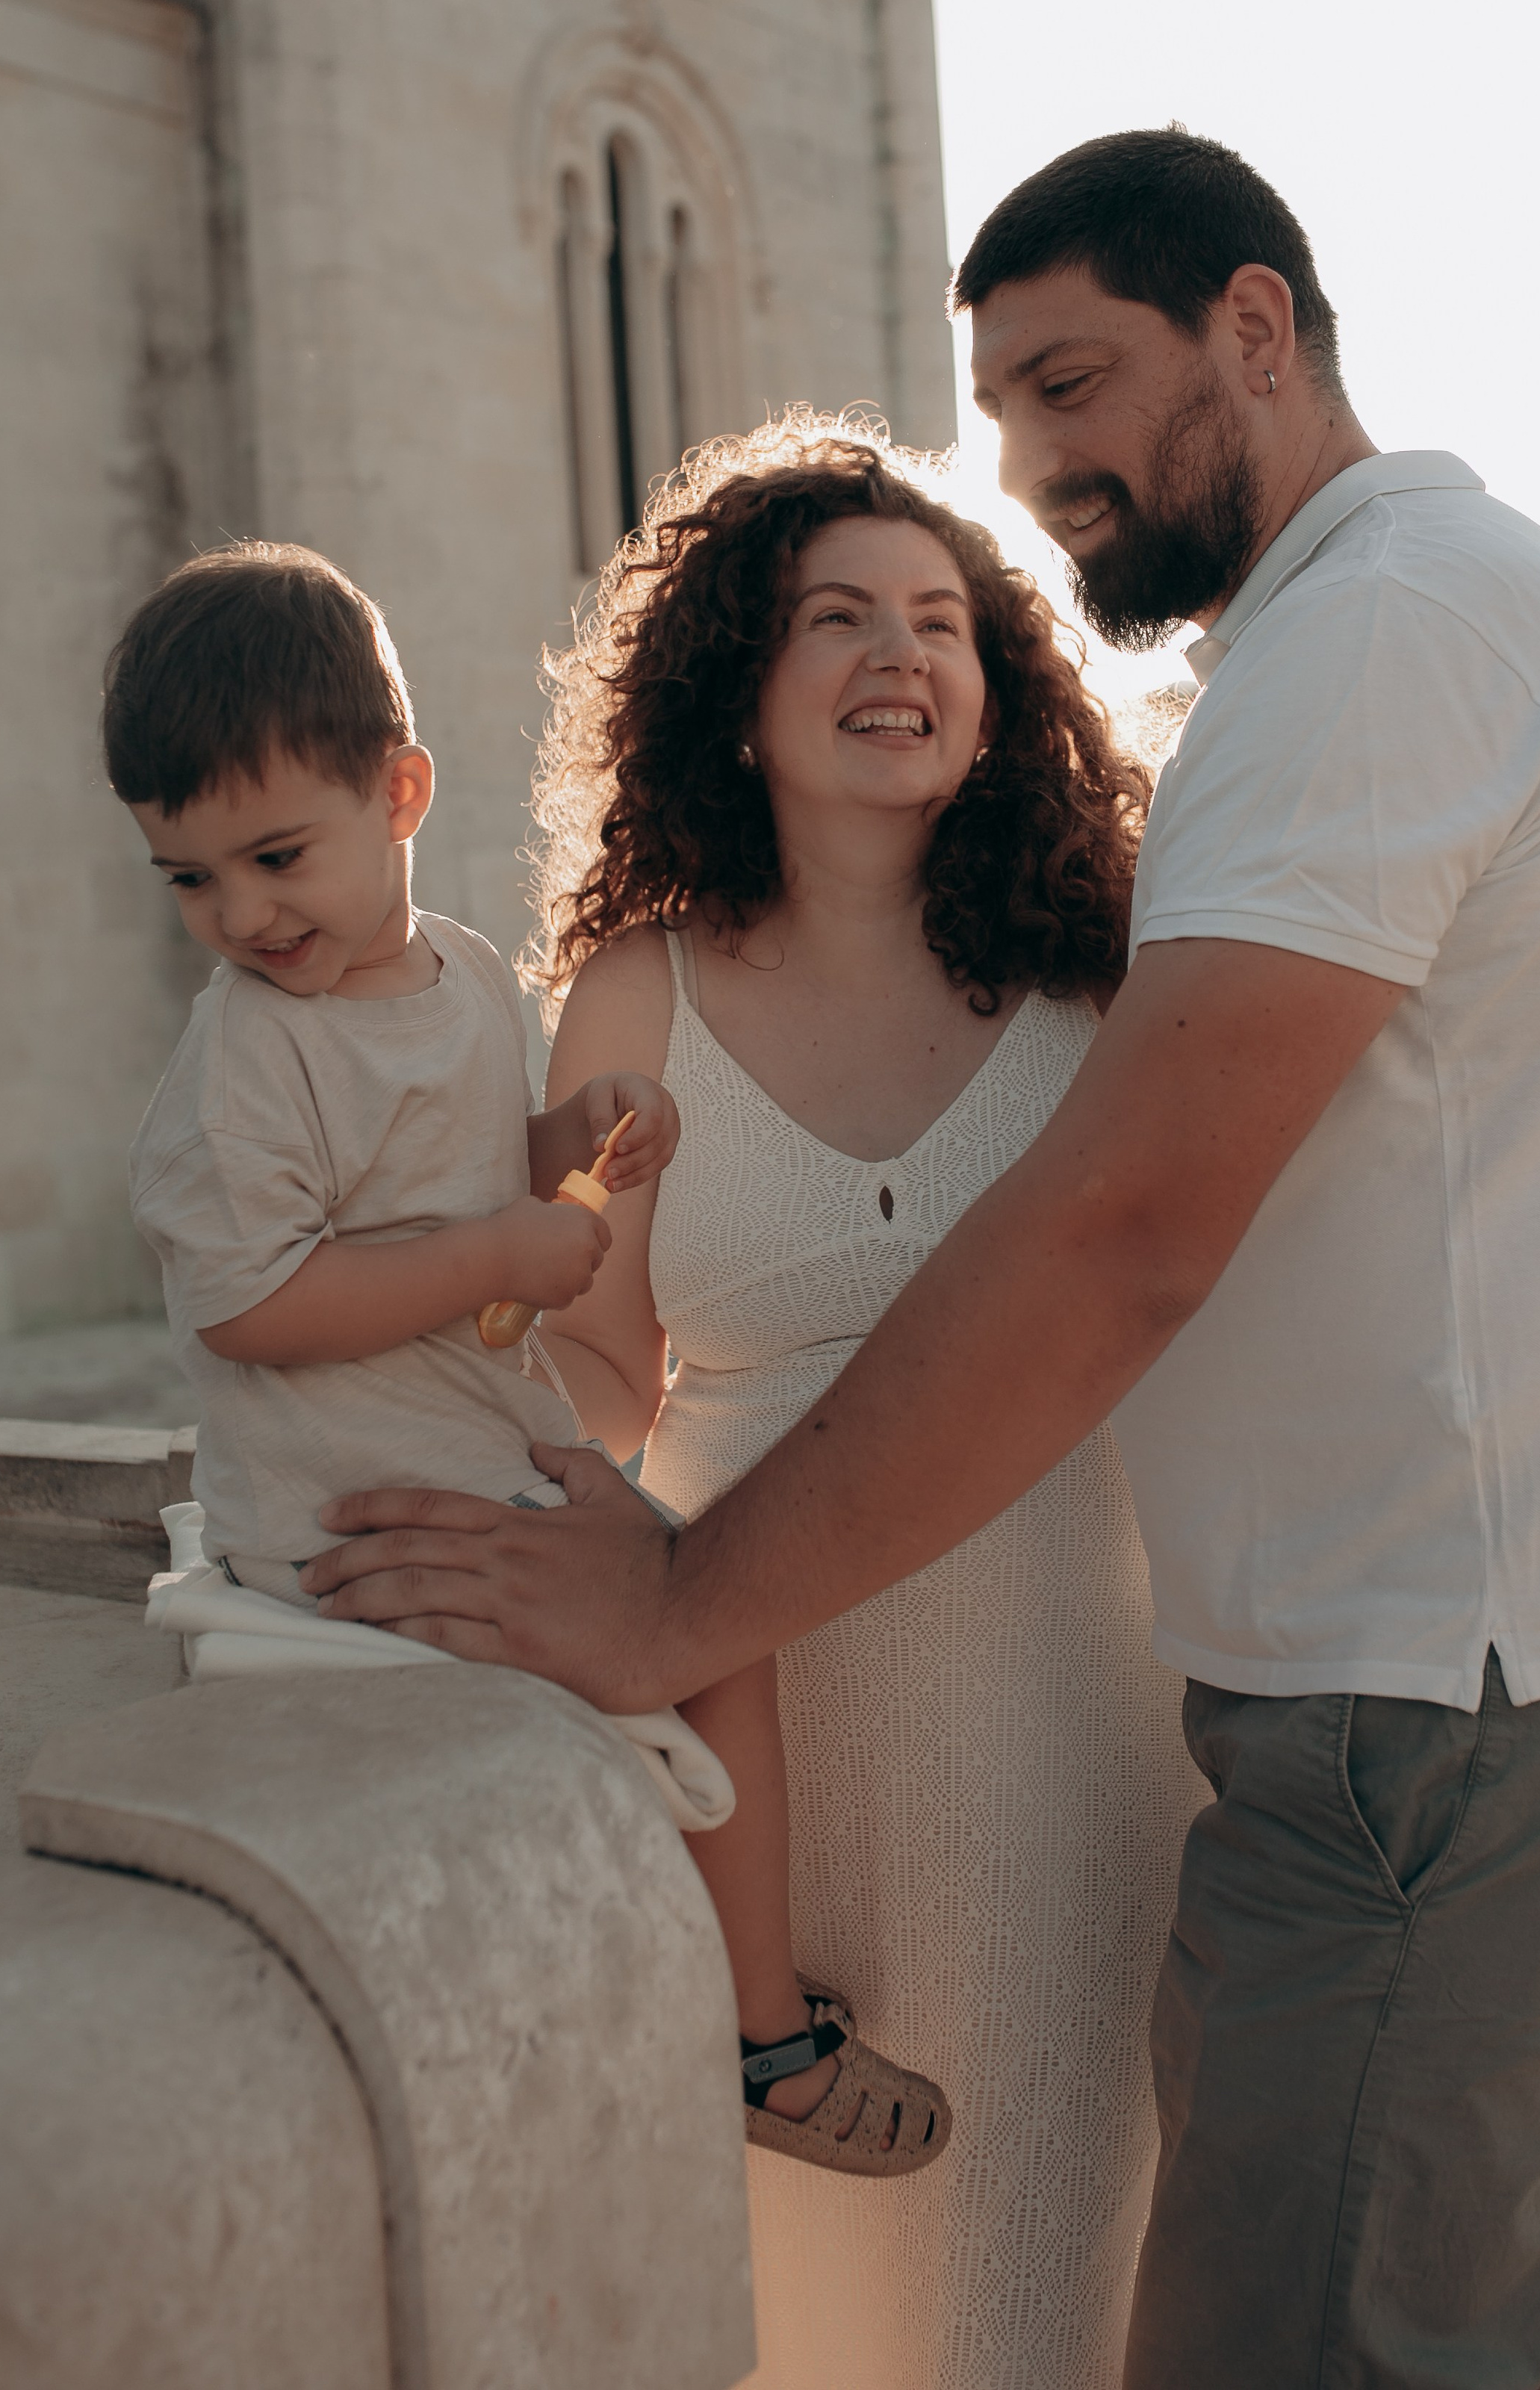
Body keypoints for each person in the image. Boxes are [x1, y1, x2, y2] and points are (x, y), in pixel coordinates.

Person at [307, 132, 1540, 2390]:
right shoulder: (1475, 609)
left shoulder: (1371, 646)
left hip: (1444, 1730)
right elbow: (599, 1349)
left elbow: (1121, 1234)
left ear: (1259, 332)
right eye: (1009, 422)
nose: (1045, 469)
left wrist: (683, 1604)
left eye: (1078, 384)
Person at [104, 541, 948, 2176]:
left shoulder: (471, 978)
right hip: (353, 1525)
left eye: (275, 855)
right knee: (702, 1630)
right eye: (190, 880)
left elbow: (491, 1170)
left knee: (723, 1609)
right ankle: (761, 2043)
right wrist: (490, 1257)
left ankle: (734, 1993)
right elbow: (245, 1305)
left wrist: (579, 1139)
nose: (243, 917)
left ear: (400, 791)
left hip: (471, 1453)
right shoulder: (248, 1056)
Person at [507, 418, 1200, 2389]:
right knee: (817, 2324)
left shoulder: (1104, 977)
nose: (901, 655)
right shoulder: (632, 992)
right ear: (737, 682)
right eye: (837, 618)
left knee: (1050, 2292)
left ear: (999, 691)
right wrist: (497, 1410)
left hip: (1083, 1746)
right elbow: (596, 1358)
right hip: (763, 1768)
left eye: (943, 620)